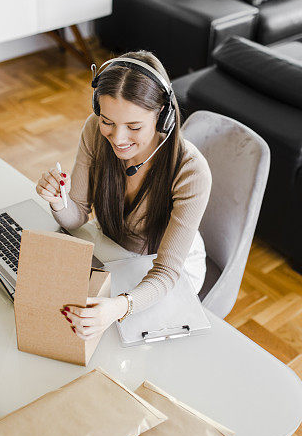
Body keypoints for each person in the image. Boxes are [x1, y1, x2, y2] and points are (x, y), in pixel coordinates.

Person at [36, 51, 212, 341]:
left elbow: (167, 273)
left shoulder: (192, 171)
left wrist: (120, 306)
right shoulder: (94, 130)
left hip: (166, 268)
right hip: (113, 246)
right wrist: (59, 201)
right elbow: (77, 215)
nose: (118, 139)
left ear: (163, 118)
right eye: (108, 121)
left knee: (116, 337)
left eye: (134, 127)